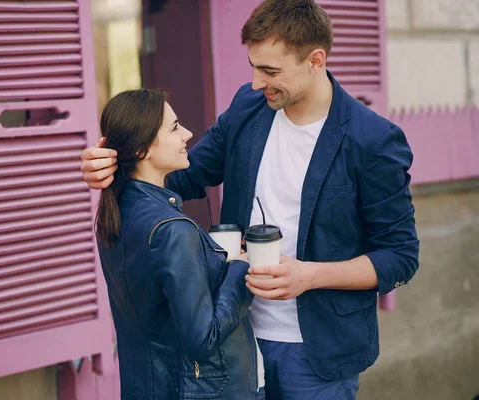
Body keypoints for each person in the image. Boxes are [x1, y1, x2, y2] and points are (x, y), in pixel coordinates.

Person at [83, 1, 420, 399]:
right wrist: (115, 168)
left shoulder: (374, 141)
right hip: (235, 340)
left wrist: (309, 276)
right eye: (254, 67)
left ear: (315, 60)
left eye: (271, 71)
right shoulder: (249, 105)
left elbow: (400, 257)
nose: (258, 83)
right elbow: (186, 177)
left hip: (319, 356)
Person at [95, 89, 265, 400]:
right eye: (174, 128)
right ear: (143, 149)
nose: (187, 134)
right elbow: (203, 338)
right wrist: (240, 268)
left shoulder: (117, 211)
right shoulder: (172, 229)